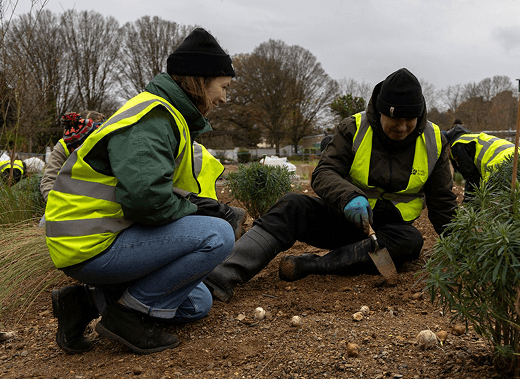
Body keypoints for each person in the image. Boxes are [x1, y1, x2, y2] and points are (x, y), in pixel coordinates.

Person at [45, 27, 236, 354]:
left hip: (103, 236)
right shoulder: (151, 119)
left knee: (197, 303)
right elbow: (145, 200)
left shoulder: (166, 115)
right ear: (200, 80)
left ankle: (86, 303)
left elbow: (153, 190)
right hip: (91, 245)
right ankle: (128, 317)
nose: (223, 97)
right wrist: (198, 212)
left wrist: (194, 206)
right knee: (217, 235)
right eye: (223, 86)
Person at [203, 68, 457, 302]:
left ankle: (313, 265)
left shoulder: (434, 141)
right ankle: (220, 276)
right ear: (380, 111)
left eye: (409, 120)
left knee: (411, 240)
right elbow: (324, 173)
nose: (401, 128)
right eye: (394, 120)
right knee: (292, 205)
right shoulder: (354, 128)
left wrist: (462, 249)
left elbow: (442, 202)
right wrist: (348, 197)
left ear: (420, 114)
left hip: (387, 233)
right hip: (341, 219)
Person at [443, 119, 520, 202]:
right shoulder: (470, 138)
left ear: (447, 145)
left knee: (491, 203)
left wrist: (468, 205)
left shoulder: (458, 146)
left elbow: (472, 179)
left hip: (501, 163)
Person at [40, 111, 106, 202]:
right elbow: (49, 180)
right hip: (68, 203)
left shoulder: (108, 142)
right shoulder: (63, 146)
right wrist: (55, 205)